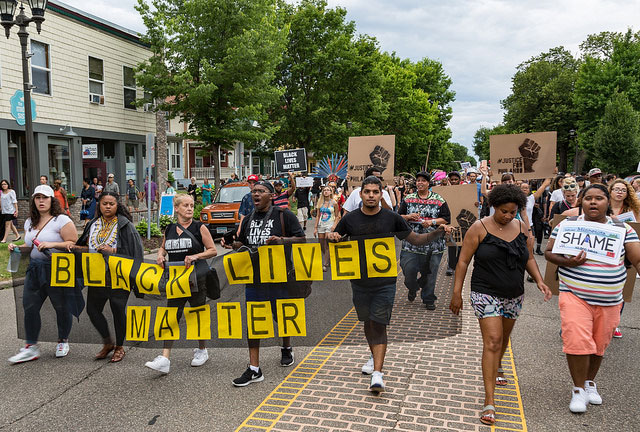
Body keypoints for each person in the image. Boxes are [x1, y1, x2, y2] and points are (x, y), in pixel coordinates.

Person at [328, 176, 450, 393]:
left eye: (376, 192)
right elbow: (335, 238)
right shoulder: (350, 219)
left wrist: (437, 232)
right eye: (367, 192)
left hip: (385, 282)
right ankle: (373, 354)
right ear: (361, 194)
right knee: (367, 322)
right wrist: (332, 236)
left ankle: (377, 374)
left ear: (382, 194)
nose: (372, 196)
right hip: (359, 281)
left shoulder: (392, 218)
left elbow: (415, 239)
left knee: (380, 322)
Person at [449, 184, 551, 425]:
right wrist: (457, 293)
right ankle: (489, 401)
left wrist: (540, 281)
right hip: (485, 292)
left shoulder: (521, 227)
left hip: (514, 293)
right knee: (493, 341)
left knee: (503, 339)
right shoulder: (479, 228)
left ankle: (499, 365)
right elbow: (463, 262)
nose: (508, 216)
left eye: (512, 211)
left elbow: (527, 258)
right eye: (503, 211)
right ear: (494, 206)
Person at [545, 184, 640, 413]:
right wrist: (568, 262)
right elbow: (549, 252)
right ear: (581, 201)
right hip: (574, 294)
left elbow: (636, 259)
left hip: (610, 300)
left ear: (608, 202)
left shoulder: (623, 229)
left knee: (599, 345)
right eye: (588, 198)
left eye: (599, 198)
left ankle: (589, 383)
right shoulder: (568, 225)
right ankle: (578, 390)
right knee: (577, 341)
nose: (593, 202)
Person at [223, 180, 305, 387]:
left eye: (260, 191)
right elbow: (243, 243)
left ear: (271, 195)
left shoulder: (283, 215)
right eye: (254, 192)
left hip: (280, 276)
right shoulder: (249, 218)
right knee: (255, 320)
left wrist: (282, 241)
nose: (255, 194)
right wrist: (232, 244)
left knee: (282, 316)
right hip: (254, 278)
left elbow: (301, 239)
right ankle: (254, 369)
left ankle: (286, 347)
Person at [145, 194, 217, 373]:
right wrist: (160, 255)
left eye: (192, 205)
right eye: (185, 205)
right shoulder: (169, 228)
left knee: (197, 314)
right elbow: (163, 247)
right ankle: (165, 358)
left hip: (196, 279)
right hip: (176, 280)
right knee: (171, 316)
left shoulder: (199, 227)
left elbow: (213, 250)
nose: (190, 208)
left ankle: (202, 350)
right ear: (176, 208)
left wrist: (195, 256)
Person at [8, 185, 79, 363]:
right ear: (34, 200)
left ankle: (63, 340)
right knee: (29, 306)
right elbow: (31, 245)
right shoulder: (29, 222)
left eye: (45, 197)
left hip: (57, 268)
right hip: (34, 269)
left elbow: (73, 243)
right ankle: (31, 346)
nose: (41, 201)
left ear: (51, 200)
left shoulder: (61, 220)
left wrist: (51, 244)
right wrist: (17, 247)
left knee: (61, 306)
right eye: (38, 197)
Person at [74, 191, 143, 363]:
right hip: (96, 276)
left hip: (119, 275)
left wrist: (112, 251)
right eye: (104, 203)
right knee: (92, 310)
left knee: (118, 310)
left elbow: (135, 252)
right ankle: (108, 342)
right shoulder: (93, 224)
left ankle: (120, 347)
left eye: (111, 204)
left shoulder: (125, 225)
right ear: (99, 205)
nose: (108, 206)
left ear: (117, 205)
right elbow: (83, 245)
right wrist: (68, 250)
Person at [398, 171, 450, 309]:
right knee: (408, 270)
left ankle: (428, 298)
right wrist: (408, 217)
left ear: (429, 183)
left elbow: (446, 218)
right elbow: (398, 217)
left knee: (431, 272)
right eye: (418, 180)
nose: (420, 183)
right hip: (411, 243)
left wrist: (432, 222)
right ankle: (412, 287)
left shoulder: (439, 199)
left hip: (433, 244)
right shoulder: (408, 199)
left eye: (423, 180)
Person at [607, 178, 640, 338]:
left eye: (623, 190)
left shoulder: (633, 212)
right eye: (617, 189)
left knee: (622, 289)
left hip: (626, 255)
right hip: (605, 253)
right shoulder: (602, 208)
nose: (620, 192)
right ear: (610, 191)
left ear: (627, 194)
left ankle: (615, 323)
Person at [520, 178, 551, 255]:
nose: (524, 189)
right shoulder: (514, 199)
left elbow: (543, 187)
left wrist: (549, 177)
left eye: (526, 188)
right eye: (522, 188)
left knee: (529, 251)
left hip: (530, 226)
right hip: (518, 226)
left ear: (529, 190)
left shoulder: (531, 198)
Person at [314, 185, 341, 271]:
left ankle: (325, 263)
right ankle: (328, 257)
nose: (326, 191)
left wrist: (334, 225)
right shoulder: (320, 202)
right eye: (324, 190)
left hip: (330, 224)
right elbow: (318, 216)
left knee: (326, 243)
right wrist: (315, 228)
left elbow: (338, 216)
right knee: (321, 244)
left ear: (331, 192)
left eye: (328, 190)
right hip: (321, 225)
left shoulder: (334, 203)